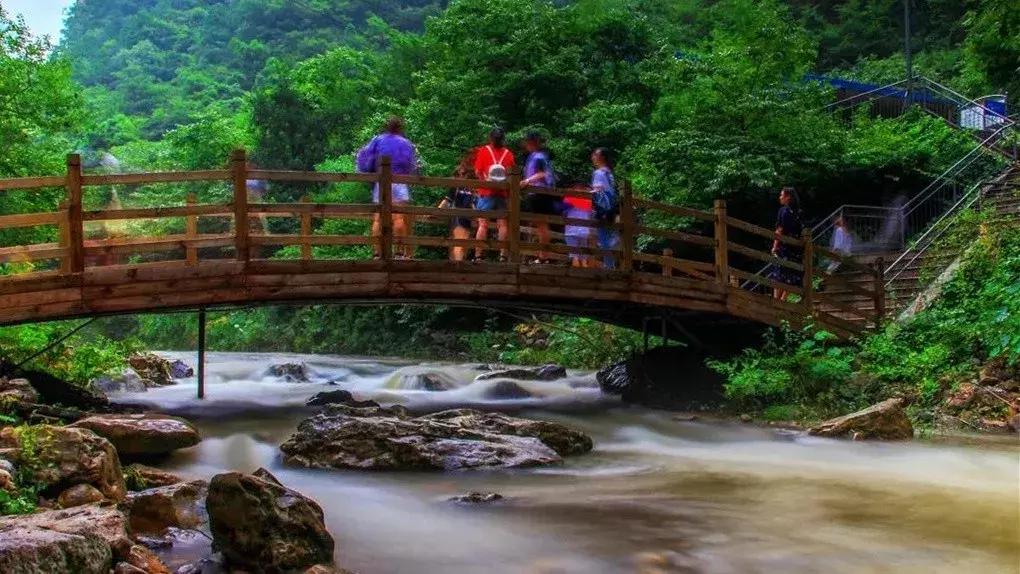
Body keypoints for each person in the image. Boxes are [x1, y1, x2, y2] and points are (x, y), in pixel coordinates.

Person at [356, 116, 419, 259]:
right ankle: (399, 253)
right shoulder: (406, 143)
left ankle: (377, 253)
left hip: (382, 182)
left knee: (378, 219)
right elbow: (411, 165)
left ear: (386, 127)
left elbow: (366, 158)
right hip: (400, 181)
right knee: (399, 218)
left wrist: (368, 172)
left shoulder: (378, 140)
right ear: (400, 128)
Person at [473, 127, 516, 262]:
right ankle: (503, 255)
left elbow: (478, 171)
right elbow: (511, 174)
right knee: (503, 225)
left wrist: (485, 182)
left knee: (483, 224)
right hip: (502, 193)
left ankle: (479, 255)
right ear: (503, 139)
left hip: (486, 192)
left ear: (490, 138)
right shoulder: (509, 154)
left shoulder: (484, 150)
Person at [521, 132, 557, 264]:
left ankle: (543, 256)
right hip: (537, 194)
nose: (525, 145)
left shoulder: (539, 157)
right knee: (540, 225)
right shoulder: (536, 156)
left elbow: (543, 173)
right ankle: (543, 255)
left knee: (542, 225)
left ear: (532, 142)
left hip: (540, 194)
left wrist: (527, 181)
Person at [768, 186, 804, 301]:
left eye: (781, 195)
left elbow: (780, 229)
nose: (780, 197)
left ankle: (777, 301)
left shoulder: (783, 211)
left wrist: (774, 246)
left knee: (779, 274)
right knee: (791, 275)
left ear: (788, 197)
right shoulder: (799, 212)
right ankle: (782, 300)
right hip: (795, 248)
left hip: (784, 247)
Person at [439, 154, 477, 262]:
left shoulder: (474, 186)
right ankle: (458, 265)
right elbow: (447, 200)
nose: (461, 174)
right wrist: (436, 211)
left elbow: (474, 202)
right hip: (459, 216)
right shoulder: (456, 185)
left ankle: (458, 263)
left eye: (464, 172)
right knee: (459, 243)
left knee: (464, 244)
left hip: (469, 216)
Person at [590, 148, 619, 269]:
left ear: (602, 157)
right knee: (607, 236)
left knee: (602, 238)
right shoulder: (609, 173)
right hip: (611, 207)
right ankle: (610, 264)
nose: (593, 157)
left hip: (602, 208)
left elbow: (598, 190)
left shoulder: (599, 173)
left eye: (595, 155)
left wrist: (586, 193)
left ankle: (608, 266)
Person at [562, 187, 594, 268]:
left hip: (570, 231)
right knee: (583, 258)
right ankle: (584, 271)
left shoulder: (568, 199)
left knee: (574, 256)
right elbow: (590, 215)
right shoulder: (588, 201)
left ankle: (576, 272)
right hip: (584, 231)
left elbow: (563, 212)